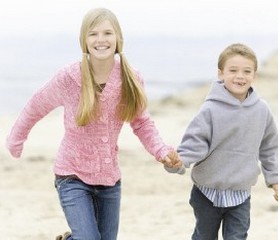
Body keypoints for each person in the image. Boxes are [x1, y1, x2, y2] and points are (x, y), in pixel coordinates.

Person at [6, 8, 181, 240]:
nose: (101, 40)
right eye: (93, 34)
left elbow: (141, 123)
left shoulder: (131, 78)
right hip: (72, 175)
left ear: (118, 39)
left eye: (107, 33)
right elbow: (36, 106)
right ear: (84, 41)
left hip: (110, 179)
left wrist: (161, 150)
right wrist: (16, 139)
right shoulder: (69, 78)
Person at [166, 43, 278, 240]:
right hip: (206, 192)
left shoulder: (262, 110)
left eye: (247, 71)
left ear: (254, 75)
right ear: (221, 74)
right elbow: (195, 142)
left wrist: (275, 178)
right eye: (233, 70)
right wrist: (179, 162)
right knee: (204, 236)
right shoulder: (210, 110)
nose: (240, 76)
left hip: (240, 193)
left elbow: (269, 147)